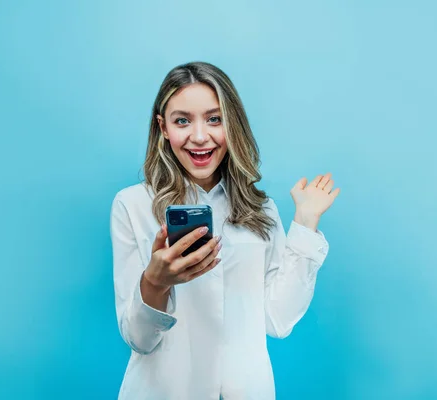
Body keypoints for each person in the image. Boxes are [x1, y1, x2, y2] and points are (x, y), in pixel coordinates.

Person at [110, 61, 340, 400]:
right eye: (182, 120)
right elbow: (139, 338)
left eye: (214, 119)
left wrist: (305, 224)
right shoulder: (132, 206)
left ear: (231, 124)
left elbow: (278, 319)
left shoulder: (261, 211)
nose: (200, 136)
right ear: (163, 127)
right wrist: (156, 281)